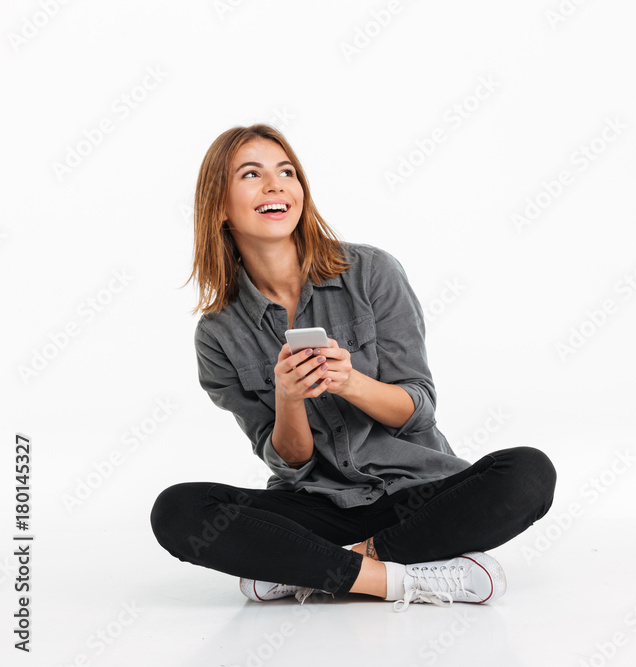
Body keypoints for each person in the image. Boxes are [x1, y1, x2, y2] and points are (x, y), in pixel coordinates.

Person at [149, 123, 556, 611]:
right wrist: (289, 398)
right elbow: (289, 463)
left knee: (529, 473)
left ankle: (312, 567)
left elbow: (419, 410)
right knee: (178, 510)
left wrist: (352, 383)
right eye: (252, 174)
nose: (276, 185)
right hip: (317, 507)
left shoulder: (371, 272)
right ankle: (404, 579)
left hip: (416, 496)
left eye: (287, 172)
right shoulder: (217, 334)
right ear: (218, 205)